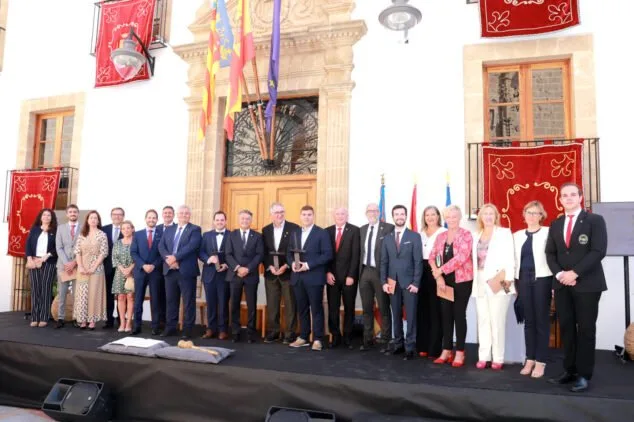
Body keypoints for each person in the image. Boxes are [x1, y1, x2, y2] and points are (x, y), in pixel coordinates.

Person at [546, 183, 608, 393]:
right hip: (562, 285)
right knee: (566, 329)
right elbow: (550, 254)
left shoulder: (595, 220)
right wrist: (560, 275)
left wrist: (575, 273)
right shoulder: (556, 224)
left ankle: (584, 374)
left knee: (586, 329)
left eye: (573, 194)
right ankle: (569, 370)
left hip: (588, 284)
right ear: (560, 200)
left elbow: (598, 251)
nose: (569, 198)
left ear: (580, 197)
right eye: (564, 195)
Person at [471, 204, 515, 370]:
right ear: (480, 217)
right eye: (485, 214)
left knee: (497, 322)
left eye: (491, 214)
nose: (488, 216)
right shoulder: (476, 235)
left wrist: (508, 280)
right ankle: (484, 357)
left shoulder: (504, 233)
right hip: (479, 280)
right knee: (483, 320)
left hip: (499, 280)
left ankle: (498, 358)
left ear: (496, 216)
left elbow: (510, 258)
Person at [429, 205, 473, 368]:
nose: (451, 220)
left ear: (460, 217)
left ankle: (460, 351)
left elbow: (462, 257)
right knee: (446, 315)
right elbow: (432, 257)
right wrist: (438, 276)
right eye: (448, 217)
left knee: (459, 315)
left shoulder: (466, 234)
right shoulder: (440, 236)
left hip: (462, 280)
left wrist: (440, 270)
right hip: (444, 281)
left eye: (454, 216)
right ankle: (446, 350)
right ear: (445, 219)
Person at [514, 200, 552, 378]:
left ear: (541, 216)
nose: (532, 216)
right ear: (524, 215)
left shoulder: (548, 232)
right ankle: (530, 358)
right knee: (529, 321)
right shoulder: (517, 235)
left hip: (543, 279)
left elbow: (554, 257)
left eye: (535, 213)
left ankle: (541, 361)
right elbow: (512, 260)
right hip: (523, 280)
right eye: (528, 212)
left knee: (541, 321)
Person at [380, 205, 423, 360]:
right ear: (393, 217)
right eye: (396, 214)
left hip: (410, 283)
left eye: (402, 214)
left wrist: (416, 283)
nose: (399, 216)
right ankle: (398, 345)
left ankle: (410, 347)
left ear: (406, 216)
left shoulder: (414, 236)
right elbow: (384, 262)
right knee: (396, 315)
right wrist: (383, 282)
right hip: (392, 283)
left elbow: (418, 262)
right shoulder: (387, 238)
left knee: (410, 317)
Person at [287, 205, 333, 351]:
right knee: (302, 309)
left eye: (309, 215)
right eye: (304, 214)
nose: (306, 217)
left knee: (316, 309)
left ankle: (318, 338)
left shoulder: (322, 233)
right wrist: (292, 263)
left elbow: (327, 255)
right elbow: (289, 253)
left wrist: (307, 265)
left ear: (313, 216)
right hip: (297, 277)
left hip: (314, 277)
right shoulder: (294, 233)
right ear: (300, 216)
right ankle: (303, 336)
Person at [158, 205, 202, 339]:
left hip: (186, 271)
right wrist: (169, 260)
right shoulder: (169, 229)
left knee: (188, 301)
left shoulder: (195, 229)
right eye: (181, 213)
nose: (184, 215)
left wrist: (175, 258)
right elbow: (161, 246)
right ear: (177, 214)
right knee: (171, 301)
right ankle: (171, 327)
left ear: (190, 215)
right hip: (170, 270)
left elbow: (191, 246)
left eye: (186, 213)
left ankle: (188, 330)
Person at [262, 203, 299, 344]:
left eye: (282, 212)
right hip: (271, 273)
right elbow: (263, 252)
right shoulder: (266, 230)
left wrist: (287, 265)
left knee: (290, 304)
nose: (279, 215)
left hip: (288, 272)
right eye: (276, 212)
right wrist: (269, 266)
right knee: (272, 305)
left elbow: (296, 250)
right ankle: (274, 331)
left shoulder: (294, 228)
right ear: (271, 214)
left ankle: (290, 333)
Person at [358, 203, 394, 352]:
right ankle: (368, 339)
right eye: (369, 211)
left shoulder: (388, 228)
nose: (372, 213)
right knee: (367, 308)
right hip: (364, 272)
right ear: (366, 213)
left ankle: (385, 340)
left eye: (374, 211)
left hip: (381, 273)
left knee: (384, 307)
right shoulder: (362, 229)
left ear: (379, 213)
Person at [225, 209, 264, 343]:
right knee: (234, 304)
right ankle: (235, 332)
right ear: (239, 219)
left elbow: (259, 255)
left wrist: (248, 268)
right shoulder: (232, 235)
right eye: (242, 218)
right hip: (235, 275)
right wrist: (238, 268)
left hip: (251, 275)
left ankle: (250, 333)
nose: (245, 221)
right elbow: (228, 254)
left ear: (251, 220)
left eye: (247, 219)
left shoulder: (257, 236)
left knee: (251, 305)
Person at [326, 207, 360, 349]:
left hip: (348, 278)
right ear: (333, 216)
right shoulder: (327, 231)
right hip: (332, 278)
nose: (340, 216)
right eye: (337, 214)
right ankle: (335, 336)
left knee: (349, 308)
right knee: (333, 308)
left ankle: (347, 336)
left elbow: (356, 255)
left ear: (347, 216)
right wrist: (327, 272)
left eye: (343, 214)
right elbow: (325, 254)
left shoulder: (354, 230)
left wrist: (351, 275)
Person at [417, 206, 446, 358]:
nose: (430, 217)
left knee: (436, 310)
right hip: (421, 271)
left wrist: (438, 273)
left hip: (436, 270)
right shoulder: (420, 233)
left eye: (433, 214)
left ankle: (434, 348)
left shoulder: (443, 232)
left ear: (438, 216)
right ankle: (422, 345)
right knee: (422, 309)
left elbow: (442, 255)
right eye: (427, 215)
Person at [130, 209, 163, 335]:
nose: (151, 220)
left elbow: (163, 253)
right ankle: (136, 326)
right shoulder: (137, 234)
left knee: (156, 300)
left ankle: (155, 326)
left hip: (155, 271)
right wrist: (143, 265)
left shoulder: (162, 234)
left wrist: (153, 265)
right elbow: (133, 252)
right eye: (149, 217)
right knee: (138, 299)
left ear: (157, 220)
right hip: (140, 271)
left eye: (154, 218)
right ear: (145, 219)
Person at [74, 211, 108, 330]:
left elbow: (103, 253)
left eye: (95, 218)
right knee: (82, 294)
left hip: (96, 269)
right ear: (87, 220)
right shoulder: (82, 234)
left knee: (94, 294)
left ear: (98, 221)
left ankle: (92, 320)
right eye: (91, 218)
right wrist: (81, 266)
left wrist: (93, 267)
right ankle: (82, 319)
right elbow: (77, 252)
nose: (93, 220)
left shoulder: (102, 235)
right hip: (82, 268)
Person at [199, 211, 230, 340]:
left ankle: (223, 330)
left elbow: (235, 254)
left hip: (225, 274)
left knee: (223, 303)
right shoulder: (206, 235)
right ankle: (210, 328)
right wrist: (208, 259)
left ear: (225, 221)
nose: (219, 222)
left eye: (222, 220)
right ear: (214, 221)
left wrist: (227, 264)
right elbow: (200, 252)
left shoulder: (231, 235)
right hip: (209, 274)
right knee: (210, 303)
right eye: (217, 220)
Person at [25, 208, 58, 327]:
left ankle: (44, 317)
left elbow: (57, 247)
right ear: (40, 217)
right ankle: (35, 317)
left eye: (49, 215)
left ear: (52, 218)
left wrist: (46, 256)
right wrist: (29, 259)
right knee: (35, 289)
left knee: (45, 289)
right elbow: (28, 244)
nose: (46, 217)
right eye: (44, 215)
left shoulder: (55, 230)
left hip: (48, 262)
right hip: (34, 261)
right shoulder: (34, 229)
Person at [55, 204, 79, 328]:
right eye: (70, 212)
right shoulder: (60, 228)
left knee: (77, 293)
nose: (73, 213)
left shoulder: (84, 229)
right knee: (62, 292)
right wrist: (66, 263)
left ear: (78, 213)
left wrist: (74, 262)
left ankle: (76, 317)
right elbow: (59, 247)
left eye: (75, 211)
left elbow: (84, 249)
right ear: (67, 214)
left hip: (78, 265)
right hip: (63, 266)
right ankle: (60, 317)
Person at [101, 207, 124, 328]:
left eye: (120, 215)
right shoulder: (104, 229)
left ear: (123, 217)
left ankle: (121, 320)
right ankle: (109, 320)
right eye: (115, 214)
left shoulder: (127, 229)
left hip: (122, 268)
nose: (117, 216)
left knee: (121, 294)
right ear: (111, 216)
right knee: (108, 294)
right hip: (107, 267)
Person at [112, 220, 136, 333]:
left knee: (130, 297)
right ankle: (122, 323)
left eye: (128, 228)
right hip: (119, 272)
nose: (126, 230)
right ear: (121, 230)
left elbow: (139, 256)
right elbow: (114, 258)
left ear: (132, 229)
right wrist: (123, 269)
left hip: (133, 272)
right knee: (121, 297)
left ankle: (129, 322)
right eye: (123, 228)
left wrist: (130, 269)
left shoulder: (136, 241)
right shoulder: (117, 243)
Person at [155, 205, 175, 327]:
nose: (167, 215)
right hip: (157, 268)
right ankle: (160, 320)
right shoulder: (156, 229)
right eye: (165, 213)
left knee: (170, 296)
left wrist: (170, 261)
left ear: (173, 215)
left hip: (172, 267)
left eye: (169, 213)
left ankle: (170, 321)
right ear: (162, 215)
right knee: (159, 294)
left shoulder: (177, 228)